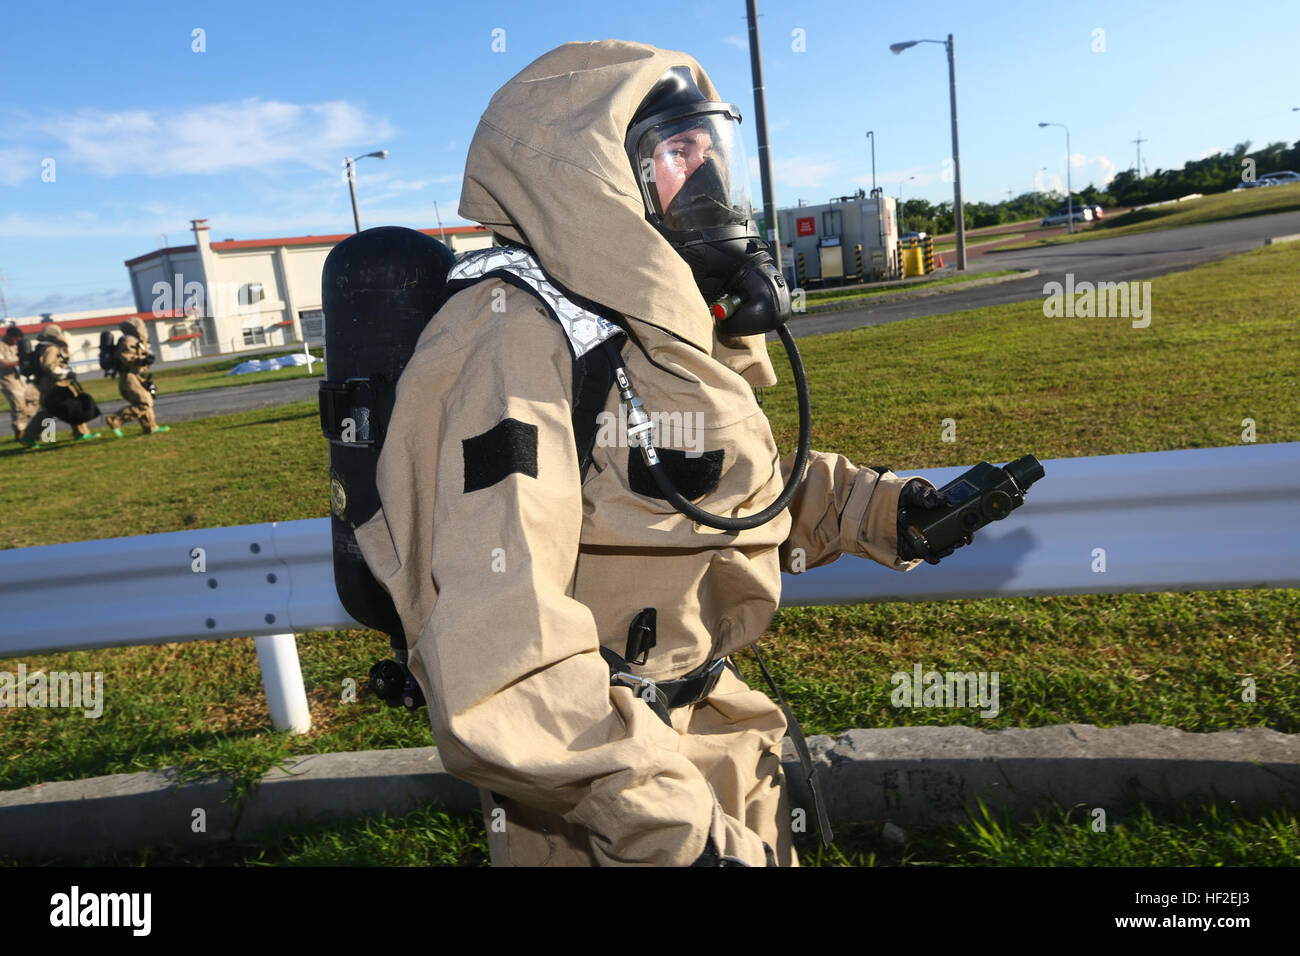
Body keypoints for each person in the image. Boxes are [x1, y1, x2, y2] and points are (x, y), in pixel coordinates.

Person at [355, 40, 966, 866]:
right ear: (595, 171)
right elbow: (502, 647)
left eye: (710, 148)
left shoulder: (639, 324)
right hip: (602, 802)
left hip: (715, 740)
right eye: (678, 151)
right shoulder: (506, 341)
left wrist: (879, 512)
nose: (708, 176)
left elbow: (697, 490)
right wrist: (673, 839)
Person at [19, 323, 100, 447]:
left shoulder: (42, 347)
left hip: (46, 382)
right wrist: (66, 374)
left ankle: (81, 432)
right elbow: (49, 366)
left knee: (66, 406)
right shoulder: (51, 348)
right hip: (55, 383)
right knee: (64, 406)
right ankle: (29, 437)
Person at [104, 317, 169, 436]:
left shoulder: (136, 340)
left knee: (145, 399)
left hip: (137, 375)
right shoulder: (129, 340)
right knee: (144, 403)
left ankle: (150, 427)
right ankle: (115, 420)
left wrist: (145, 360)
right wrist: (142, 360)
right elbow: (126, 357)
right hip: (129, 377)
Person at [0, 324, 40, 440]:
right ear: (9, 336)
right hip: (8, 380)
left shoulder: (18, 346)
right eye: (16, 339)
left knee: (35, 398)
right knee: (18, 405)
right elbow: (2, 363)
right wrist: (20, 361)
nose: (17, 341)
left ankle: (24, 419)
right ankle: (20, 432)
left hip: (22, 379)